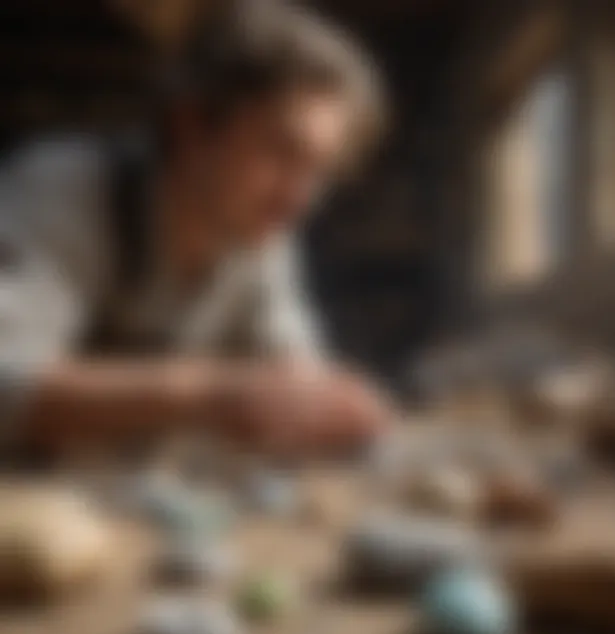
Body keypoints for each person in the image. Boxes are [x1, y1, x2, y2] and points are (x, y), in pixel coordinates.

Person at [0, 1, 393, 458]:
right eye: (281, 151)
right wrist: (207, 396)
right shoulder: (65, 190)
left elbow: (293, 377)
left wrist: (330, 407)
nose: (299, 198)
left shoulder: (259, 238)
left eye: (320, 170)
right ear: (193, 124)